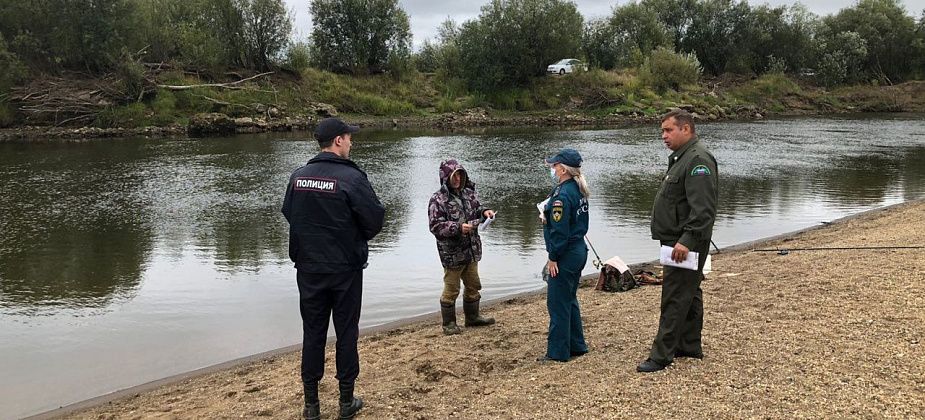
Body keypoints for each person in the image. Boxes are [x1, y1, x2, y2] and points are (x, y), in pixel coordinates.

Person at [282, 117, 385, 419]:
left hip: (309, 268)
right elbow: (374, 219)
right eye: (348, 137)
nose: (352, 142)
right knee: (346, 332)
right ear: (337, 141)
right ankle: (345, 401)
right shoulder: (352, 178)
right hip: (344, 269)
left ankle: (311, 405)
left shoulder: (298, 176)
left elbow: (290, 212)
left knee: (312, 332)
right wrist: (346, 234)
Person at [637, 109, 718, 373]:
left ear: (686, 129)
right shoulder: (682, 158)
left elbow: (703, 209)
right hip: (677, 240)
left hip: (684, 243)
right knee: (690, 292)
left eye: (668, 130)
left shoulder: (697, 161)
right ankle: (689, 344)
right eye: (662, 131)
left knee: (674, 296)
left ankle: (661, 355)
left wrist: (687, 240)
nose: (664, 136)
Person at [428, 159, 497, 335]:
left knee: (474, 284)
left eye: (460, 174)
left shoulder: (468, 193)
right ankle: (449, 324)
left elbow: (477, 209)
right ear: (445, 177)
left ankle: (472, 318)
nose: (457, 178)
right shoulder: (437, 200)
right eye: (454, 175)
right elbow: (435, 226)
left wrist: (485, 212)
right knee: (452, 289)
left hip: (471, 249)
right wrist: (458, 228)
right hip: (452, 254)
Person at [538, 148, 591, 362]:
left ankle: (558, 353)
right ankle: (577, 345)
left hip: (566, 253)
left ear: (562, 169)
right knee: (569, 299)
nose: (552, 169)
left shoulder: (562, 195)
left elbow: (560, 233)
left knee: (557, 302)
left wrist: (553, 257)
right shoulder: (577, 189)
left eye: (553, 166)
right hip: (578, 250)